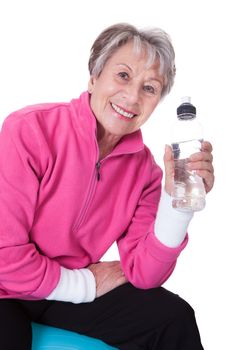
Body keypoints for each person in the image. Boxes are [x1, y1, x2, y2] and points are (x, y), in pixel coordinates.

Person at [0, 23, 214, 350]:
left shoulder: (144, 172)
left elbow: (144, 273)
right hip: (6, 289)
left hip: (61, 292)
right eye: (123, 76)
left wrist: (176, 203)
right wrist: (86, 284)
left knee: (174, 318)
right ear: (94, 76)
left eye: (150, 88)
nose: (131, 97)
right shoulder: (29, 131)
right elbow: (6, 260)